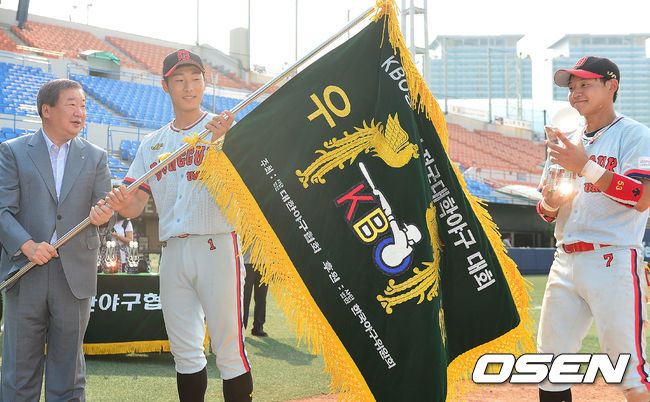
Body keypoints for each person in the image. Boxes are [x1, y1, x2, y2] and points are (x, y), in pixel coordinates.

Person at [105, 49, 253, 401]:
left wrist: (225, 144)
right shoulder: (153, 143)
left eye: (195, 79)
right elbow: (135, 205)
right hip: (172, 251)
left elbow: (248, 186)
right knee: (185, 352)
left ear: (205, 82)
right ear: (165, 85)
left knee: (229, 351)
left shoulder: (224, 127)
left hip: (217, 243)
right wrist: (120, 202)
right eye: (180, 80)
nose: (189, 87)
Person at [536, 56, 650, 402]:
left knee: (628, 371)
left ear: (611, 86)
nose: (576, 93)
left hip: (612, 259)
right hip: (564, 259)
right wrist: (551, 201)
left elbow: (642, 197)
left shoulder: (634, 134)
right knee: (549, 368)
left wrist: (585, 166)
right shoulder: (566, 141)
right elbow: (545, 211)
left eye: (585, 84)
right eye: (572, 87)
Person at [0, 78, 114, 400]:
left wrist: (105, 216)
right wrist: (28, 246)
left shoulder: (96, 157)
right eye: (71, 104)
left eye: (83, 106)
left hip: (74, 277)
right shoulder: (13, 151)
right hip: (25, 272)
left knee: (69, 375)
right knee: (19, 372)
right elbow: (2, 210)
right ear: (46, 110)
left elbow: (106, 212)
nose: (80, 112)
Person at [243, 256, 268, 337]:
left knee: (262, 297)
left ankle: (258, 327)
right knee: (244, 298)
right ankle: (241, 328)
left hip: (264, 264)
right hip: (247, 263)